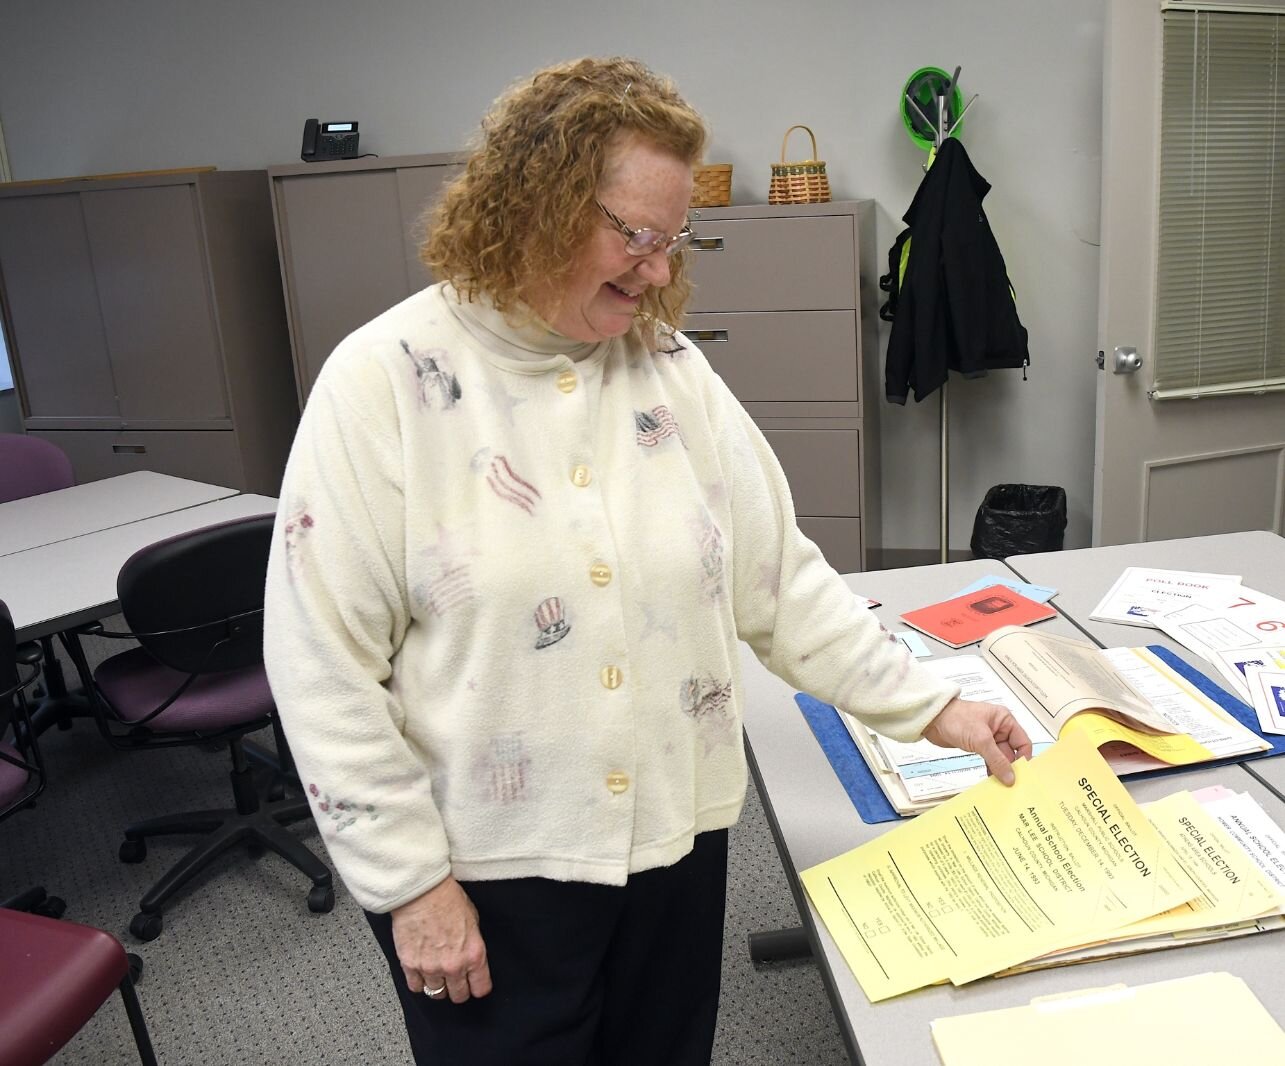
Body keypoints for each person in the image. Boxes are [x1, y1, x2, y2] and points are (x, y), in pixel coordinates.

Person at [263, 55, 1032, 1066]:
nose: (660, 271)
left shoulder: (671, 371)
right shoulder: (384, 382)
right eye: (634, 236)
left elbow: (781, 583)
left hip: (675, 836)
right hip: (491, 870)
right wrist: (409, 883)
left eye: (673, 242)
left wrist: (933, 708)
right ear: (530, 204)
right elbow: (322, 668)